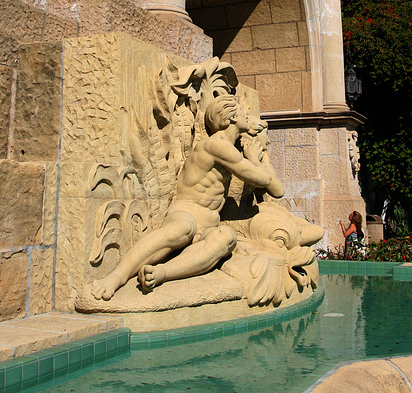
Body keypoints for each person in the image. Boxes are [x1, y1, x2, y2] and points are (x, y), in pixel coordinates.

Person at [91, 95, 284, 300]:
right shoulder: (216, 146)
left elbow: (277, 190)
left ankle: (161, 273)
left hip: (209, 223)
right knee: (183, 228)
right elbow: (261, 178)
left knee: (226, 238)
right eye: (243, 112)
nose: (247, 115)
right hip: (186, 213)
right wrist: (253, 156)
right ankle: (116, 277)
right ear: (232, 117)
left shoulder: (231, 147)